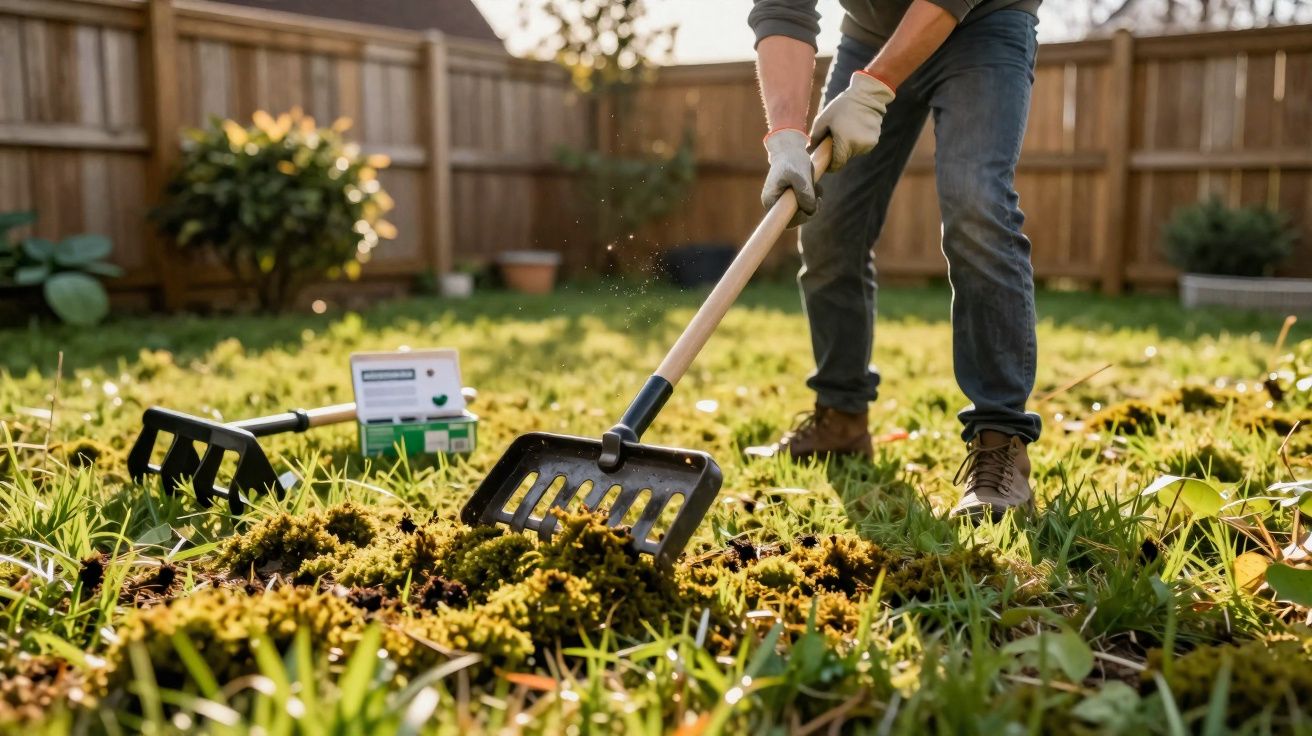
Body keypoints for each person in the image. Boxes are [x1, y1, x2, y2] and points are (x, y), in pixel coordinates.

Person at [744, 0, 1043, 520]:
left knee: (977, 204)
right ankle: (841, 417)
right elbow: (782, 10)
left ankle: (1001, 443)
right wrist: (786, 137)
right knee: (828, 223)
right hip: (869, 34)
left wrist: (874, 88)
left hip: (986, 22)